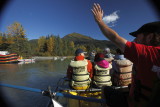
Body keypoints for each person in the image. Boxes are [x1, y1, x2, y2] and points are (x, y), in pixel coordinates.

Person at [91, 3, 160, 107]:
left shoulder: (145, 53)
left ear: (149, 37)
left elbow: (115, 38)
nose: (135, 40)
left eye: (137, 37)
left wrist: (100, 21)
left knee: (105, 89)